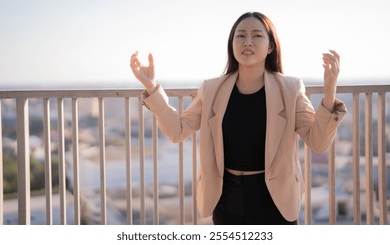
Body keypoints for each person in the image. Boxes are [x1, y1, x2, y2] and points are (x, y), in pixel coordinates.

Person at [129, 12, 347, 225]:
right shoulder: (212, 89)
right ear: (231, 45)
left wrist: (330, 92)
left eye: (257, 36)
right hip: (225, 198)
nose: (247, 42)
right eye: (240, 35)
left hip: (275, 200)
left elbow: (317, 142)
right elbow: (178, 130)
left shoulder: (289, 88)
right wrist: (151, 87)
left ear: (271, 46)